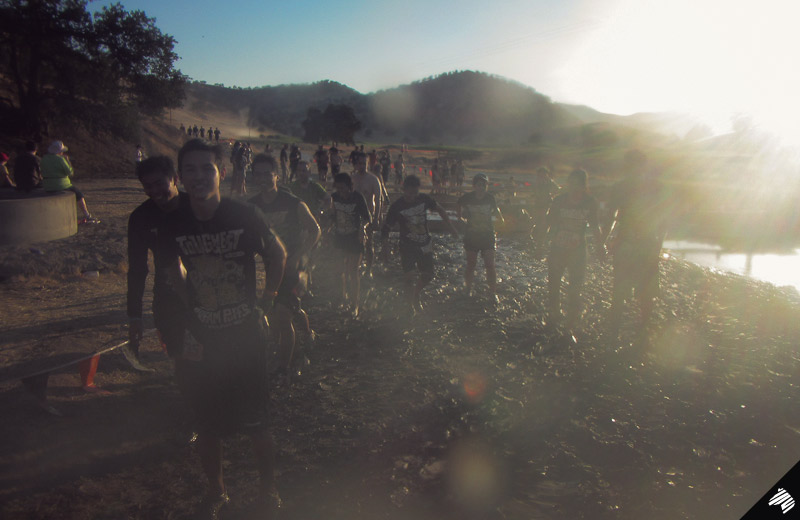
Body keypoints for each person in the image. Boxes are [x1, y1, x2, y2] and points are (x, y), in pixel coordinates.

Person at [158, 138, 287, 519]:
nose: (199, 176)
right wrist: (190, 304)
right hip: (205, 339)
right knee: (207, 425)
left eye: (207, 168)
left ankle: (269, 491)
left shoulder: (242, 214)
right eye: (190, 170)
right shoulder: (173, 223)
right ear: (181, 177)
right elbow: (172, 268)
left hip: (246, 337)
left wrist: (268, 299)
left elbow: (277, 253)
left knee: (258, 423)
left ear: (222, 172)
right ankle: (217, 493)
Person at [249, 154, 321, 379]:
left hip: (294, 268)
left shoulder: (293, 203)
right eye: (258, 174)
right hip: (271, 268)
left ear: (277, 176)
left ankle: (283, 367)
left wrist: (300, 256)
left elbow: (315, 230)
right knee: (283, 311)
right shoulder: (252, 206)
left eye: (267, 174)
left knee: (282, 315)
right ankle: (307, 333)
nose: (263, 179)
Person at [127, 156, 188, 366]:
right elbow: (137, 269)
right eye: (148, 186)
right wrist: (134, 316)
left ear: (175, 179)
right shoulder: (140, 217)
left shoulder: (195, 207)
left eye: (159, 183)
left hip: (204, 287)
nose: (154, 191)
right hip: (167, 292)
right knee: (177, 352)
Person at [605, 150, 673, 338]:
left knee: (620, 288)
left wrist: (605, 240)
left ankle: (615, 328)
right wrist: (658, 243)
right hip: (646, 243)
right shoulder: (655, 187)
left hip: (628, 243)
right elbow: (664, 220)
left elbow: (610, 216)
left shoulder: (620, 187)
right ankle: (642, 329)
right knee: (645, 291)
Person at [381, 175, 458, 314]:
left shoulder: (423, 199)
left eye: (415, 193)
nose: (412, 196)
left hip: (424, 243)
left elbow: (440, 209)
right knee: (409, 277)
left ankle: (416, 294)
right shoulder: (397, 206)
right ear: (404, 190)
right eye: (409, 193)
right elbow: (386, 229)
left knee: (428, 275)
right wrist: (385, 249)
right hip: (407, 245)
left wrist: (451, 228)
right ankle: (409, 307)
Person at [546, 169, 604, 330]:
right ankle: (554, 313)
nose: (574, 187)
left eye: (577, 184)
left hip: (578, 250)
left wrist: (600, 246)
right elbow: (549, 221)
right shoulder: (559, 200)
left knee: (575, 286)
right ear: (568, 184)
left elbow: (595, 226)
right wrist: (541, 240)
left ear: (584, 185)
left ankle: (570, 321)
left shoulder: (590, 202)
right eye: (571, 183)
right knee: (554, 282)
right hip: (558, 248)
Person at [329, 172, 371, 316]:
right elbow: (332, 216)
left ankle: (354, 304)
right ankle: (341, 298)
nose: (341, 192)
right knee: (339, 271)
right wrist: (327, 226)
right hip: (340, 237)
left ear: (349, 186)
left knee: (353, 271)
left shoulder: (357, 197)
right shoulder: (334, 198)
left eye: (343, 188)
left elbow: (367, 218)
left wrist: (362, 228)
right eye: (338, 188)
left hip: (354, 238)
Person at [456, 173, 504, 302]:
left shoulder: (490, 198)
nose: (481, 188)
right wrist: (459, 218)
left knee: (490, 264)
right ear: (474, 186)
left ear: (486, 186)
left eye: (484, 185)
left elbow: (496, 210)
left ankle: (492, 292)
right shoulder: (468, 197)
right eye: (479, 185)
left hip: (487, 234)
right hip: (472, 235)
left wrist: (500, 219)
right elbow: (458, 203)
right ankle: (468, 289)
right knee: (471, 264)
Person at [41, 140, 98, 224]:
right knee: (79, 195)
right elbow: (70, 173)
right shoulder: (60, 159)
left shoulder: (44, 158)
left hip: (47, 185)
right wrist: (67, 161)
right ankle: (87, 215)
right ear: (59, 151)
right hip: (61, 185)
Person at [352, 152, 384, 278]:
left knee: (369, 243)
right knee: (354, 243)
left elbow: (379, 200)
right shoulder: (352, 179)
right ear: (356, 164)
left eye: (364, 163)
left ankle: (368, 269)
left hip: (368, 215)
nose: (362, 166)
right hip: (354, 215)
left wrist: (376, 217)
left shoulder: (373, 180)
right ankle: (357, 266)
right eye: (359, 163)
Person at [532, 166, 560, 254]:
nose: (542, 176)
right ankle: (538, 240)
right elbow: (534, 191)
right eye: (540, 175)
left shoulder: (548, 182)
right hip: (539, 204)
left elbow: (557, 189)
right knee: (537, 221)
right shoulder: (538, 182)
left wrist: (551, 195)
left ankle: (541, 241)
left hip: (546, 204)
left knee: (544, 222)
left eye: (543, 174)